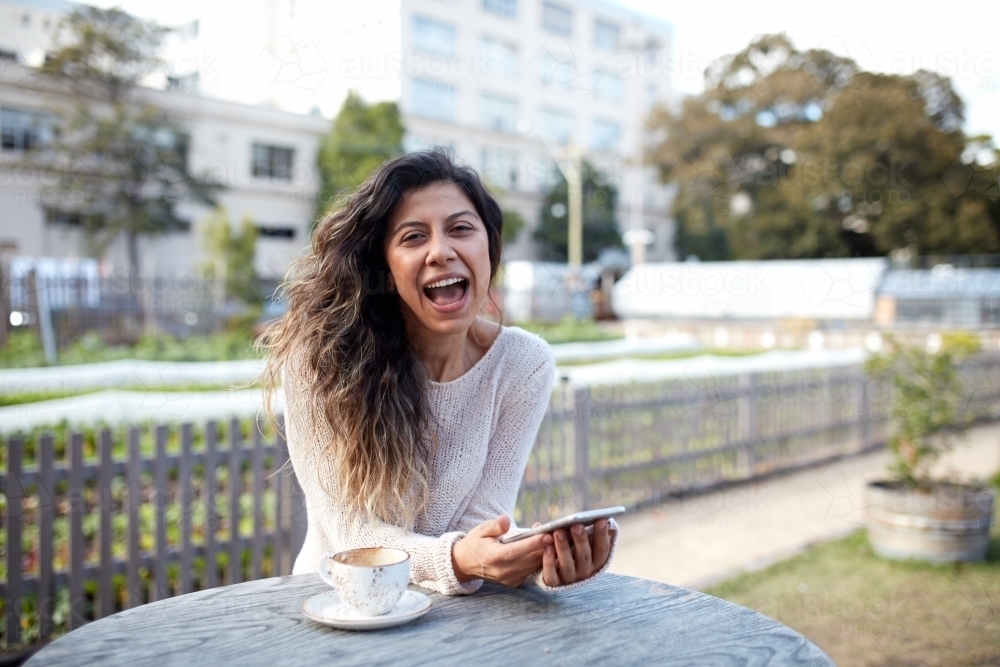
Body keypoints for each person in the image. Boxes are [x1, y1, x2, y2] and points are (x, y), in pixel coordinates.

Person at [260, 149, 617, 595]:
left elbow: (484, 521)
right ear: (387, 271)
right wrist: (459, 560)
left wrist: (538, 555)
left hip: (455, 622)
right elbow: (350, 533)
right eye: (412, 238)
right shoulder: (320, 361)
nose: (441, 252)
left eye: (461, 229)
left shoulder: (523, 364)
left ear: (489, 249)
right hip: (339, 609)